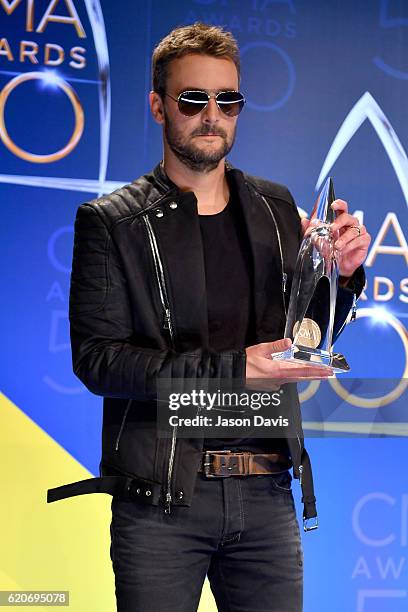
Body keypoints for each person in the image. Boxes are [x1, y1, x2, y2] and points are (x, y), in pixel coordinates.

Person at [47, 22, 370, 612]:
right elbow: (99, 361)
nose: (211, 115)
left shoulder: (274, 208)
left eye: (228, 100)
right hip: (161, 504)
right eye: (193, 99)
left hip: (268, 494)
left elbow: (301, 340)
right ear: (158, 106)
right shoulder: (112, 222)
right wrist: (232, 372)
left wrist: (340, 279)